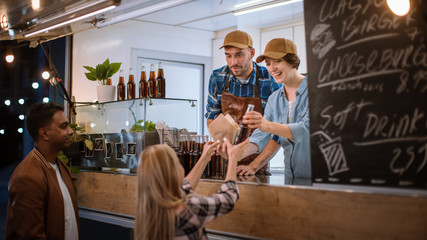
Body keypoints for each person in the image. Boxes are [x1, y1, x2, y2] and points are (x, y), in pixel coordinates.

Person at [134, 138, 249, 240]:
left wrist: (204, 157)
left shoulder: (148, 207)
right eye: (177, 163)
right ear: (172, 173)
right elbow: (228, 198)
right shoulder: (189, 208)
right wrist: (233, 157)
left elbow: (184, 187)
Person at [205, 30, 281, 174]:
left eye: (239, 55)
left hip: (257, 163)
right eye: (228, 56)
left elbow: (277, 132)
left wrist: (253, 167)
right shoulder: (218, 77)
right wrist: (223, 146)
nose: (233, 62)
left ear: (251, 53)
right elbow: (212, 117)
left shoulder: (270, 80)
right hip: (224, 161)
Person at [236, 38, 311, 179]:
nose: (272, 68)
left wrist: (267, 125)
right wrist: (236, 152)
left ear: (292, 61)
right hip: (291, 177)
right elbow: (261, 136)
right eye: (268, 63)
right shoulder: (274, 99)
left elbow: (307, 131)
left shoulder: (316, 91)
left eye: (278, 61)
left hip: (318, 179)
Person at [6, 102, 79, 240]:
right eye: (63, 126)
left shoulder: (62, 168)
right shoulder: (27, 176)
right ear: (44, 133)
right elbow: (30, 235)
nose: (70, 131)